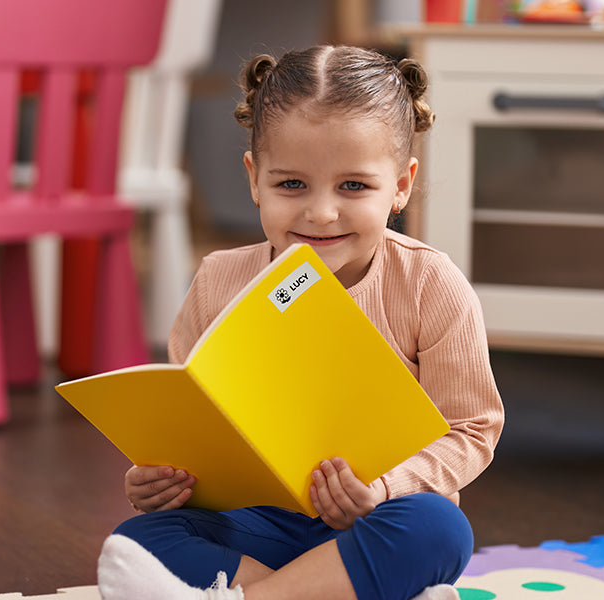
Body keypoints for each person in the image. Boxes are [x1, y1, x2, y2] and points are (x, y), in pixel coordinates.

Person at [95, 45, 505, 600]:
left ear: (401, 186)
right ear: (254, 179)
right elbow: (191, 421)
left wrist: (383, 489)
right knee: (141, 538)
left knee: (440, 530)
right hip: (257, 523)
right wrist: (160, 481)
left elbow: (472, 430)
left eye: (354, 186)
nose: (321, 213)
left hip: (375, 522)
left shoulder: (430, 284)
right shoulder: (218, 278)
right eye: (291, 185)